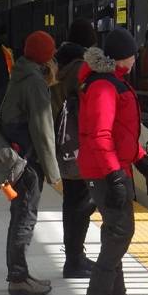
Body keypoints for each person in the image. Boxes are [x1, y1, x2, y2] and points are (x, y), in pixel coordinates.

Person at [78, 27, 148, 295]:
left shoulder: (115, 82)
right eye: (132, 54)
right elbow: (100, 135)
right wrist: (114, 175)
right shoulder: (104, 87)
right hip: (104, 169)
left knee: (115, 231)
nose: (135, 59)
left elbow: (121, 134)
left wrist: (144, 163)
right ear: (121, 57)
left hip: (113, 166)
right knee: (120, 231)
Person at [0, 30, 62, 295]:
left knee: (20, 213)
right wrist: (53, 173)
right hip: (27, 161)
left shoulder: (20, 74)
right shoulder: (34, 82)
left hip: (17, 157)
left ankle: (19, 273)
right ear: (46, 55)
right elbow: (42, 129)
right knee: (25, 215)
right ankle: (18, 277)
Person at [51, 19, 97, 279]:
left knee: (72, 202)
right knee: (81, 204)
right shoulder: (80, 68)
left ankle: (75, 256)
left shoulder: (59, 62)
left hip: (63, 143)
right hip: (78, 144)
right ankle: (74, 260)